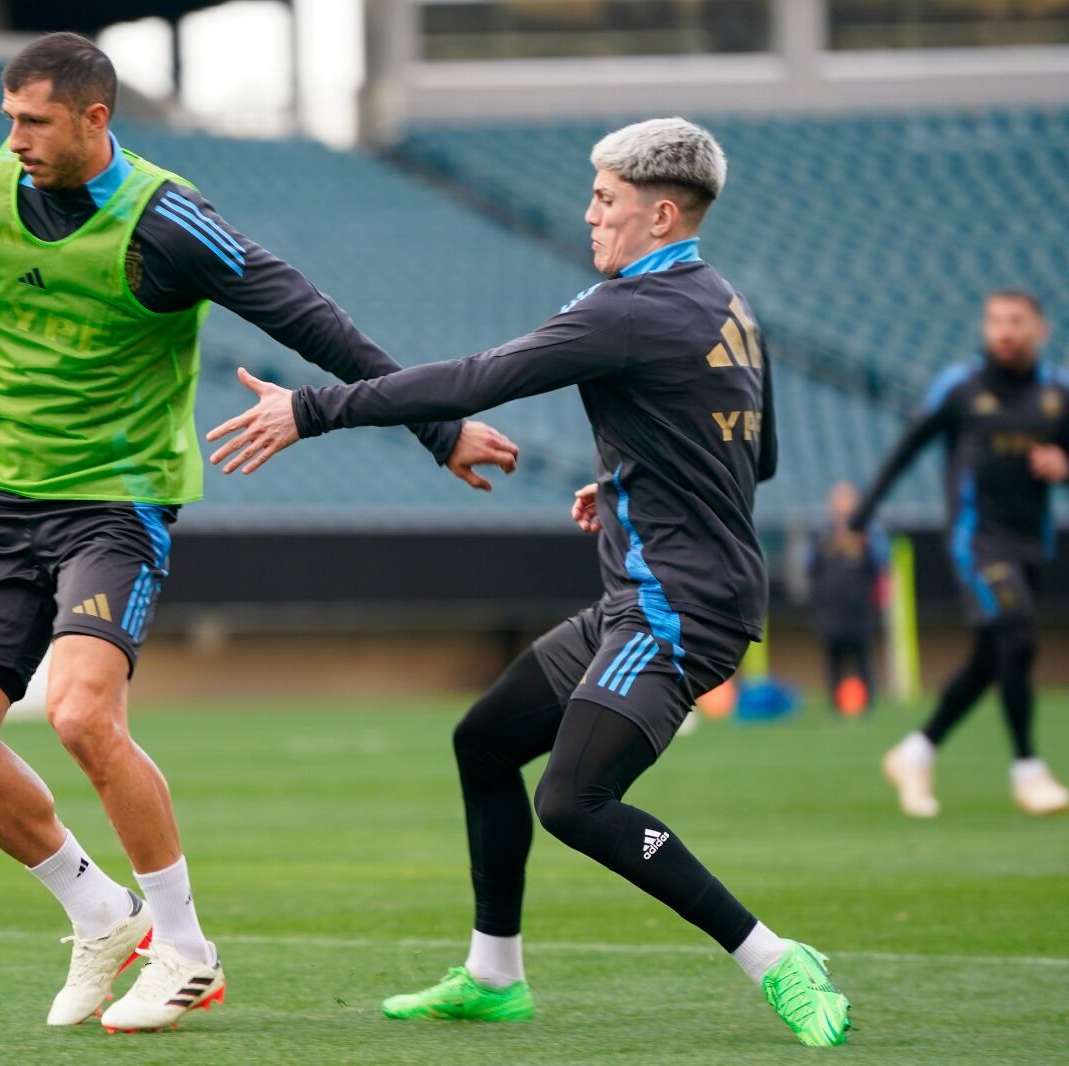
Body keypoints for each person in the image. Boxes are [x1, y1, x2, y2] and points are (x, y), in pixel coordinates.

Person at [0, 31, 515, 1031]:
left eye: (34, 121)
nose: (14, 139)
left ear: (96, 118)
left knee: (84, 714)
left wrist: (437, 429)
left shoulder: (169, 219)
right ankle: (98, 913)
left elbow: (311, 320)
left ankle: (184, 948)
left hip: (113, 503)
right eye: (7, 118)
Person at [208, 117, 851, 1047]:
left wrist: (313, 409)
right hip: (650, 594)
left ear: (661, 214)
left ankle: (776, 958)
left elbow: (476, 378)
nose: (590, 215)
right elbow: (763, 453)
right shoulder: (728, 304)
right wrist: (634, 473)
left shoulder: (624, 310)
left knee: (573, 802)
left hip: (677, 609)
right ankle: (494, 975)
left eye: (607, 201)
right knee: (485, 743)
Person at [854, 291, 1068, 817]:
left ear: (1039, 328)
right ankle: (1027, 768)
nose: (1004, 331)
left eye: (1016, 321)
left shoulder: (1057, 391)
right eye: (996, 320)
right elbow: (907, 448)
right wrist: (862, 515)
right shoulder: (961, 386)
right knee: (1017, 635)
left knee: (992, 656)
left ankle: (916, 750)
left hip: (1030, 541)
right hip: (977, 540)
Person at [806, 483, 888, 714]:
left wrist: (862, 545)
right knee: (834, 661)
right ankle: (835, 707)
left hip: (860, 610)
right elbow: (809, 567)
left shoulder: (871, 533)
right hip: (830, 610)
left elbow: (881, 563)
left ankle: (868, 706)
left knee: (863, 658)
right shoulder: (820, 534)